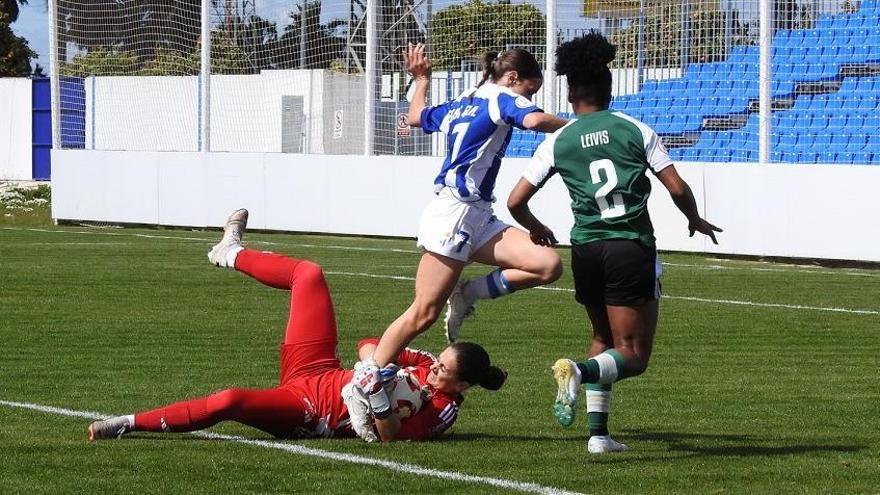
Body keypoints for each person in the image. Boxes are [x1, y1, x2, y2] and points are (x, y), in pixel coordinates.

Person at [87, 209, 507, 443]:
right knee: (309, 274)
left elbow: (391, 437)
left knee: (230, 400)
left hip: (311, 410)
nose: (433, 368)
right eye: (438, 362)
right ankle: (229, 251)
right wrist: (370, 365)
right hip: (321, 371)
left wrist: (377, 395)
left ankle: (126, 422)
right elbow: (369, 342)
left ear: (462, 386)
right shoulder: (425, 364)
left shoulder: (442, 409)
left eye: (442, 371)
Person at [506, 33, 722, 454]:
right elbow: (675, 187)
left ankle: (598, 436)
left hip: (586, 249)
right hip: (628, 246)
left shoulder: (558, 140)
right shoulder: (634, 129)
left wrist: (535, 227)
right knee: (634, 356)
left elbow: (515, 200)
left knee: (603, 338)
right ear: (608, 89)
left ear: (570, 95)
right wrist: (693, 218)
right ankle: (578, 371)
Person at [362, 43, 568, 382]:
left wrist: (423, 79)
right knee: (423, 313)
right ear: (513, 77)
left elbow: (415, 117)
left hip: (477, 215)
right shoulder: (502, 97)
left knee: (547, 265)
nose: (529, 98)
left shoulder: (463, 103)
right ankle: (365, 379)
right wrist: (578, 126)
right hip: (455, 214)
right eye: (530, 90)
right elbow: (534, 120)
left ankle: (468, 292)